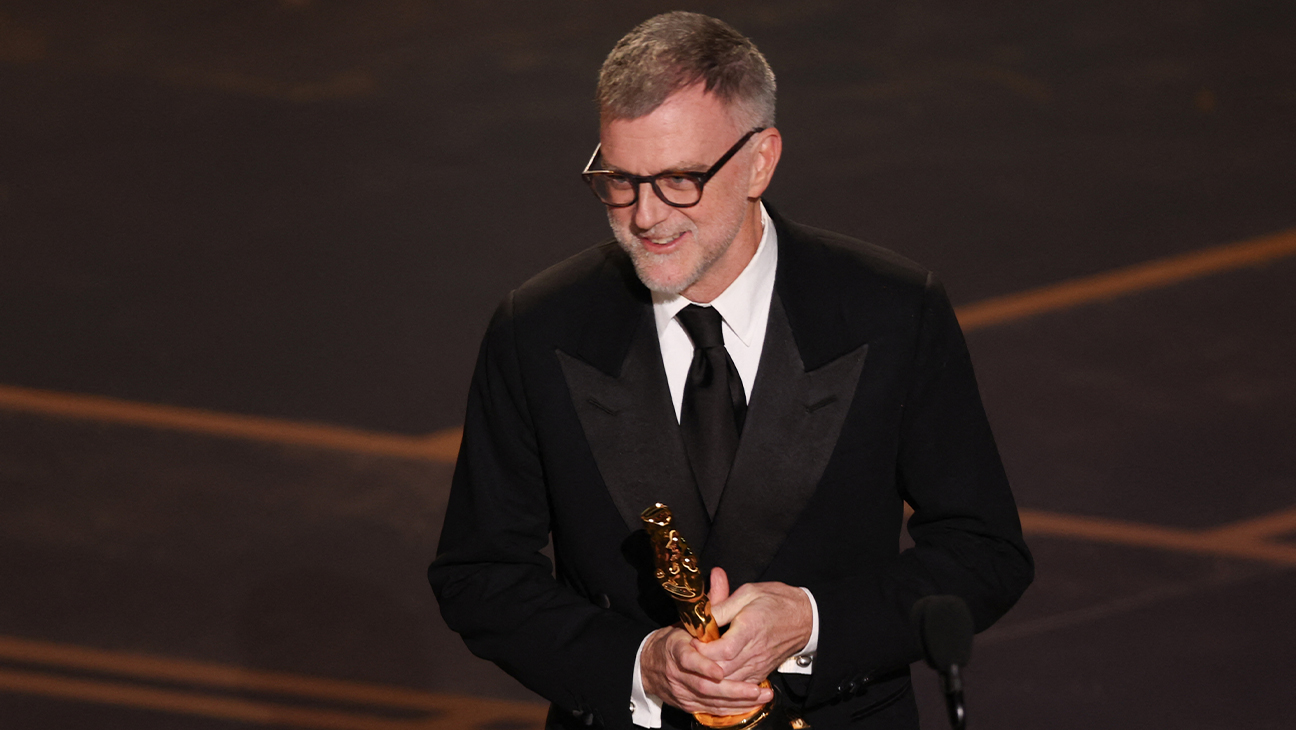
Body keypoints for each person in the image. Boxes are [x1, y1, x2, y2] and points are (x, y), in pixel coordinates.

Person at [429, 12, 1032, 730]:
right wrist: (641, 664)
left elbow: (983, 552)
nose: (646, 215)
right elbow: (480, 574)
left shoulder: (890, 312)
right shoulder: (538, 328)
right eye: (619, 179)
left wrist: (810, 623)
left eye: (680, 178)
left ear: (760, 160)